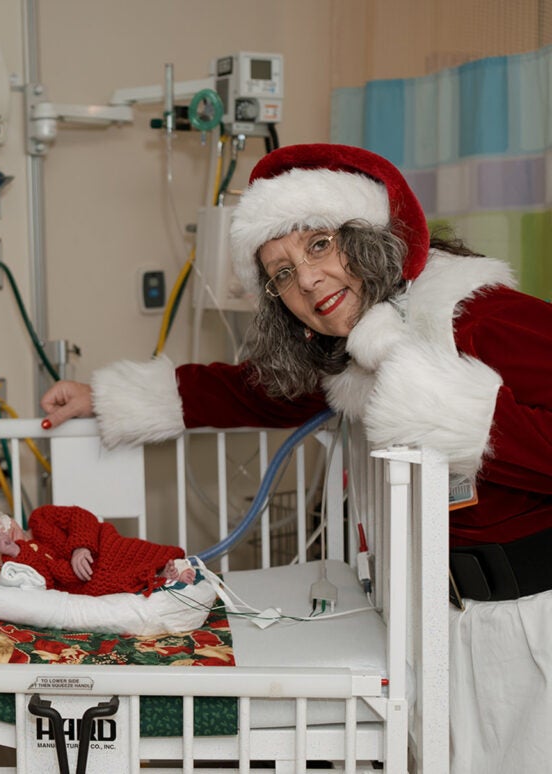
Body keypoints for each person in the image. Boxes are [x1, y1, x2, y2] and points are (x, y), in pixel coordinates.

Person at [39, 143, 552, 773]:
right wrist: (108, 397)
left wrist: (444, 405)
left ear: (369, 238)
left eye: (317, 245)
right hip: (446, 629)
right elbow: (254, 390)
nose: (305, 280)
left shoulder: (477, 320)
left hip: (530, 628)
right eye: (280, 272)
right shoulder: (357, 352)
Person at [0, 506, 195, 595]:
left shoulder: (40, 519)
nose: (0, 533)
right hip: (87, 580)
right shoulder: (15, 574)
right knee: (102, 584)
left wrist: (81, 546)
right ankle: (161, 579)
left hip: (100, 544)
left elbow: (80, 517)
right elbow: (44, 580)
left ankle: (164, 566)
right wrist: (17, 553)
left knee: (128, 552)